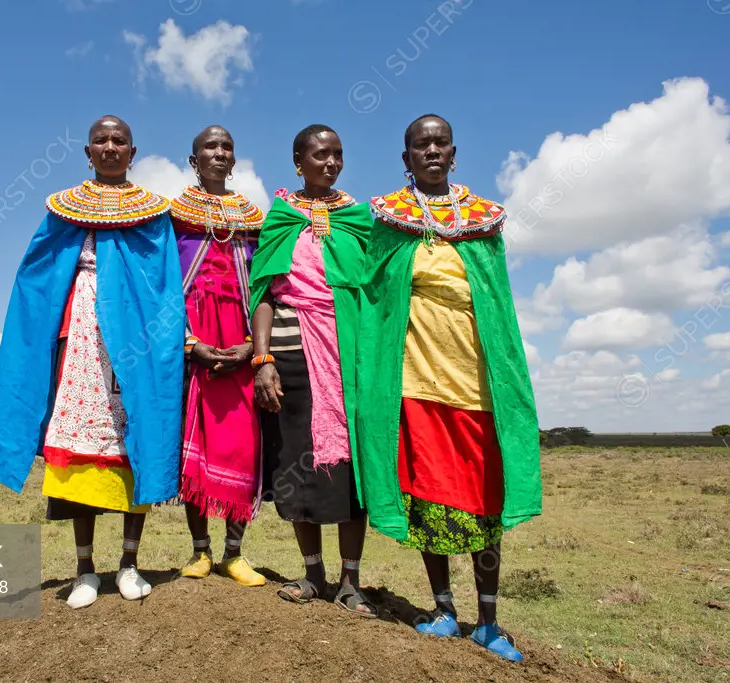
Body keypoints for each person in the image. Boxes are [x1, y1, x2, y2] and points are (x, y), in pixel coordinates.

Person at [0, 115, 186, 610]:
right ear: (87, 151)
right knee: (79, 451)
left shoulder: (153, 213)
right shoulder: (62, 209)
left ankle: (130, 563)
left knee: (137, 445)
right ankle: (85, 569)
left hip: (133, 344)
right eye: (101, 140)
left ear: (133, 152)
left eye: (120, 141)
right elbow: (38, 276)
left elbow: (163, 286)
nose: (110, 147)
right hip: (79, 346)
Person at [354, 114, 542, 661]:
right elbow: (364, 283)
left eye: (440, 144)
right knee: (428, 502)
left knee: (485, 506)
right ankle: (442, 609)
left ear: (454, 154)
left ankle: (488, 620)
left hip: (477, 389)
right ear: (406, 157)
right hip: (414, 383)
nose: (431, 150)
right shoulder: (386, 220)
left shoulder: (484, 224)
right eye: (420, 144)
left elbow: (498, 307)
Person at [248, 124, 376, 617]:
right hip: (290, 351)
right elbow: (262, 292)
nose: (331, 162)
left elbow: (373, 289)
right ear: (298, 161)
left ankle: (350, 580)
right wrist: (262, 360)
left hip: (348, 353)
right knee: (296, 459)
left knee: (350, 468)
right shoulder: (279, 216)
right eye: (320, 154)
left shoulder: (357, 218)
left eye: (338, 154)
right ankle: (312, 572)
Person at [170, 125, 267, 587]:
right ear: (194, 160)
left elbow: (265, 284)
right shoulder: (173, 216)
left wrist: (254, 345)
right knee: (196, 447)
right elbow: (165, 287)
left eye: (227, 146)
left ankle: (234, 553)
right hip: (193, 341)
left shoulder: (252, 217)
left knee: (242, 445)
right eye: (210, 146)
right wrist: (191, 346)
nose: (220, 152)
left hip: (242, 340)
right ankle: (200, 551)